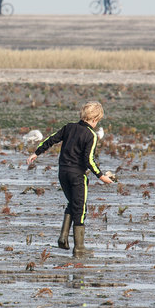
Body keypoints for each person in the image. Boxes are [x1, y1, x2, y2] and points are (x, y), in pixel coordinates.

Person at [27, 101, 113, 258]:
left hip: (63, 173)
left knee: (72, 203)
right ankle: (79, 248)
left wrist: (36, 153)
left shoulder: (69, 127)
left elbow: (51, 139)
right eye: (97, 121)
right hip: (77, 176)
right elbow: (89, 160)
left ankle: (63, 237)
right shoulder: (91, 135)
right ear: (95, 119)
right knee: (80, 209)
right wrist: (102, 176)